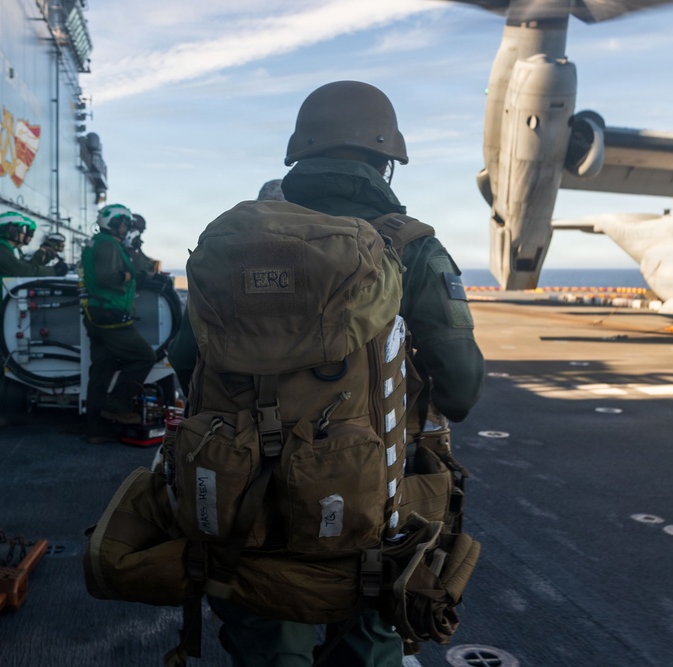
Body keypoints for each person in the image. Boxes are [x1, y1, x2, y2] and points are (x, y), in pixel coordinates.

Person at [167, 81, 484, 666]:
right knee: (370, 641)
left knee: (267, 646)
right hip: (366, 513)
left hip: (244, 514)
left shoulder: (234, 246)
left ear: (298, 156)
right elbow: (461, 391)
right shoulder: (413, 250)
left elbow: (186, 361)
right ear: (387, 160)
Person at [79, 203, 157, 443]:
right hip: (111, 315)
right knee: (145, 357)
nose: (125, 227)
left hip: (98, 314)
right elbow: (107, 278)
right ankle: (118, 405)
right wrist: (131, 274)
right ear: (113, 223)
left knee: (102, 369)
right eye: (123, 222)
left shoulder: (98, 242)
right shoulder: (108, 245)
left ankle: (96, 430)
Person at [0, 212, 63, 420]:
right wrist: (54, 273)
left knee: (6, 359)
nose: (25, 234)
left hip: (0, 311)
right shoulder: (0, 249)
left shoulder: (8, 249)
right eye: (22, 230)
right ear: (11, 230)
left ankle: (3, 409)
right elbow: (23, 271)